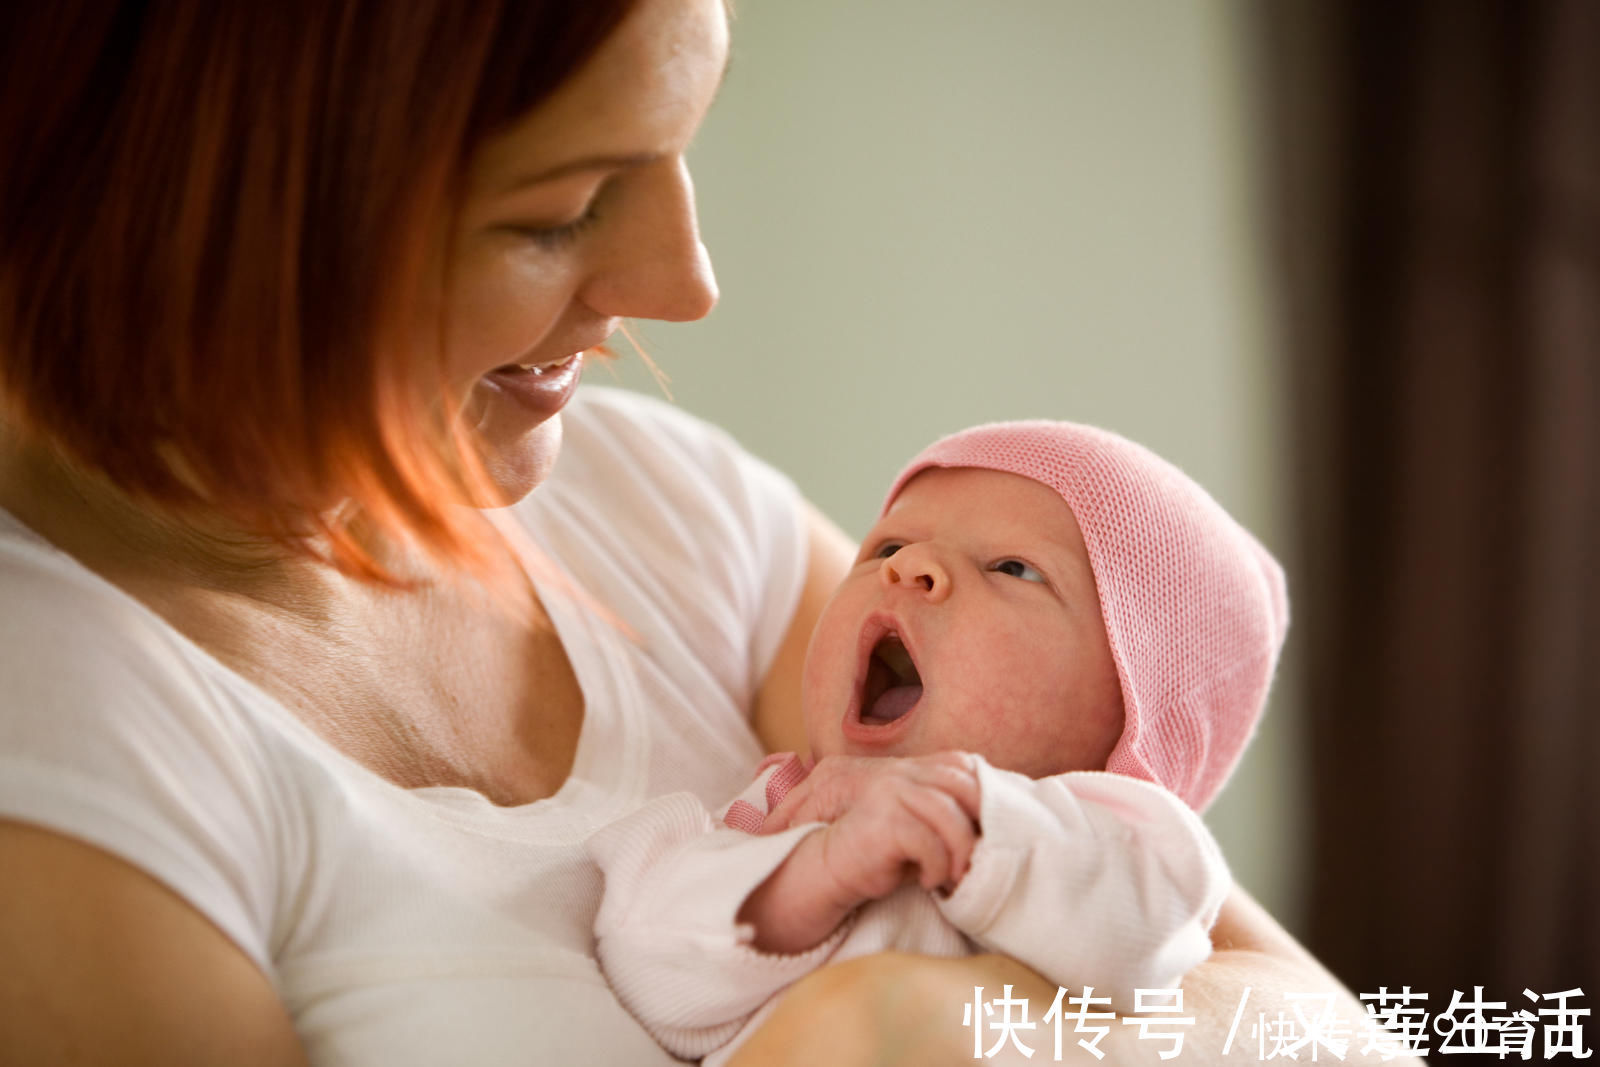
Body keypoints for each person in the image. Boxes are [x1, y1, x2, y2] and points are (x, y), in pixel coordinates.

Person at [0, 1, 1417, 1064]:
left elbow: (1334, 1038)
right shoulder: (65, 741)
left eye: (679, 152)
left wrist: (914, 1022)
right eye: (560, 211)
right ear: (198, 215)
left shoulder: (665, 512)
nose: (685, 284)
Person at [589, 420, 1287, 1064]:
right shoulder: (779, 816)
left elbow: (1146, 936)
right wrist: (808, 877)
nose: (909, 565)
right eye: (887, 547)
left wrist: (971, 820)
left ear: (1132, 715)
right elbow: (648, 965)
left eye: (1013, 568)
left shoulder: (1130, 845)